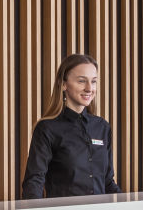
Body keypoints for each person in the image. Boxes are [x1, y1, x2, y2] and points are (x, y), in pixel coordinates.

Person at [21, 53, 121, 199]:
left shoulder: (102, 127)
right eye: (81, 81)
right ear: (63, 84)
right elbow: (34, 182)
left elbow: (107, 182)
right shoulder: (47, 128)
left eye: (93, 81)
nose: (89, 88)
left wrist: (130, 207)